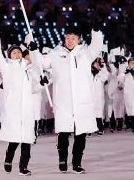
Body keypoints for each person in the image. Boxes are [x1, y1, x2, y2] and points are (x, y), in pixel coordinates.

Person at [39, 24, 103, 174]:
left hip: (81, 102)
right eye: (67, 37)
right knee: (63, 133)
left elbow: (97, 45)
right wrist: (34, 50)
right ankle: (62, 159)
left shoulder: (86, 54)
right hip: (64, 101)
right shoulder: (55, 54)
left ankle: (76, 163)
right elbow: (41, 63)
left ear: (79, 40)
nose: (69, 41)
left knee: (80, 134)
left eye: (73, 38)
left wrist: (96, 30)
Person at [0, 32, 42, 176]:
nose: (17, 54)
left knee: (27, 139)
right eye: (14, 52)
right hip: (13, 109)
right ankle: (8, 159)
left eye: (19, 52)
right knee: (15, 139)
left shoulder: (28, 69)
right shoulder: (6, 68)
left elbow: (34, 87)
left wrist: (41, 84)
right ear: (9, 56)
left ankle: (23, 167)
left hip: (26, 109)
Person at [92, 58, 109, 135]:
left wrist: (100, 70)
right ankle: (92, 129)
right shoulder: (90, 73)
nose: (96, 65)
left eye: (97, 64)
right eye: (95, 64)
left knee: (99, 113)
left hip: (99, 96)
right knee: (91, 113)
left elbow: (105, 78)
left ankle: (100, 129)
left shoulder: (102, 73)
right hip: (91, 96)